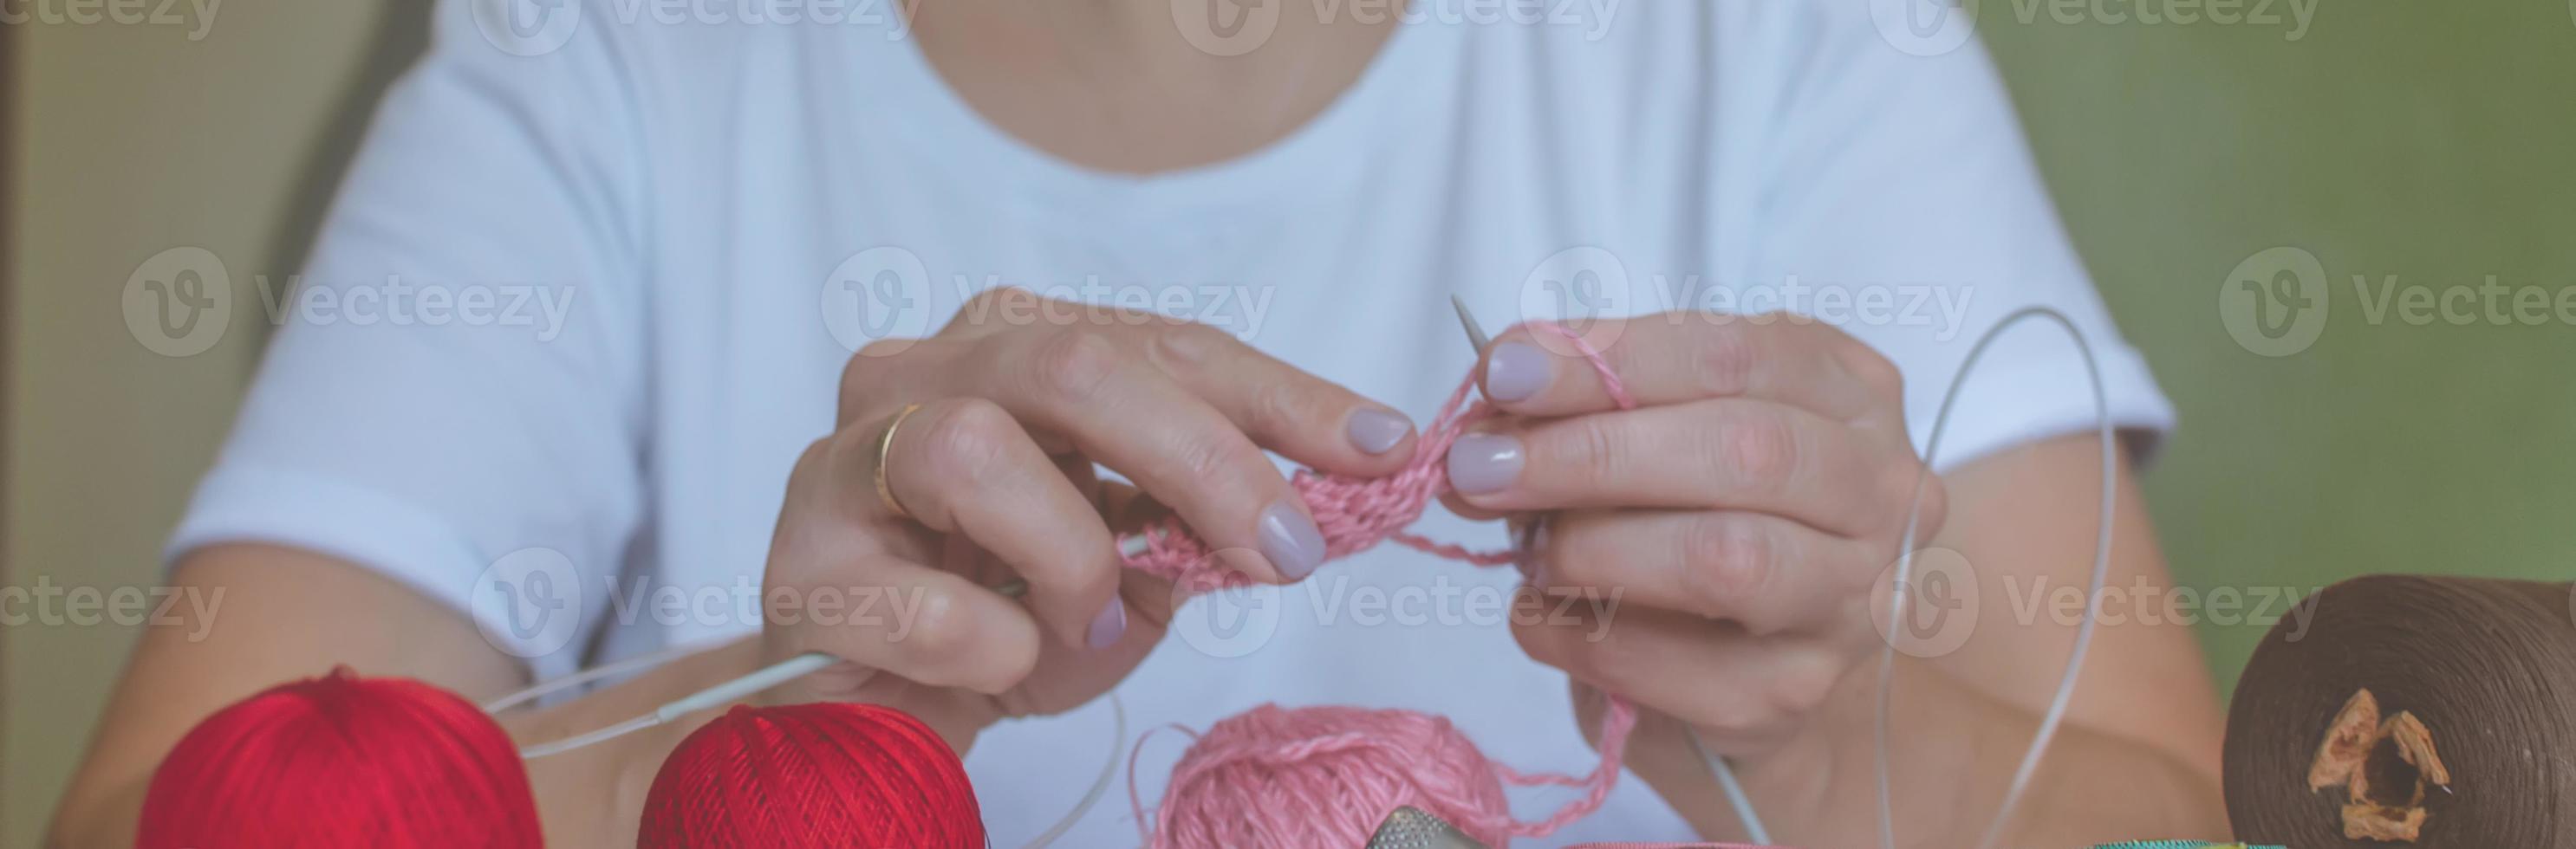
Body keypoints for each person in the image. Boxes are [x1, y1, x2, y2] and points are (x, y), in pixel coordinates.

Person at [52, 0, 2228, 844]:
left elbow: (2179, 815)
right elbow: (174, 816)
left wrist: (1836, 739)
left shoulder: (1787, 45)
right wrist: (814, 710)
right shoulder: (598, 61)